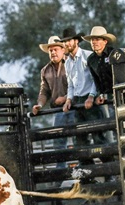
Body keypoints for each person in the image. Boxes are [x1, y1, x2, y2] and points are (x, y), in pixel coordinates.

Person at [57, 28, 110, 181]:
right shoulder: (68, 63)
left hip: (89, 99)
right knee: (80, 140)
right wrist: (68, 99)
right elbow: (71, 85)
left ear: (76, 41)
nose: (66, 43)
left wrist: (92, 96)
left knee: (99, 138)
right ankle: (89, 175)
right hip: (79, 102)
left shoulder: (88, 56)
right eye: (64, 41)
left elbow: (96, 79)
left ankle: (110, 172)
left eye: (68, 40)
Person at [32, 36, 73, 169]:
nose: (53, 52)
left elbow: (78, 86)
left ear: (63, 50)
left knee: (79, 139)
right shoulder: (45, 70)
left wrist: (66, 98)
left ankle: (82, 171)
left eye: (55, 49)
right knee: (59, 142)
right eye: (50, 50)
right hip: (58, 111)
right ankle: (61, 172)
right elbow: (44, 91)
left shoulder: (71, 64)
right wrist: (39, 104)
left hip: (74, 107)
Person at [83, 26, 118, 143]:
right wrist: (100, 94)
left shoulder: (114, 54)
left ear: (105, 41)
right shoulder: (91, 59)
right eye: (93, 40)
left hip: (118, 93)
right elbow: (96, 80)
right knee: (108, 125)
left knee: (120, 123)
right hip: (106, 97)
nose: (94, 42)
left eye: (98, 39)